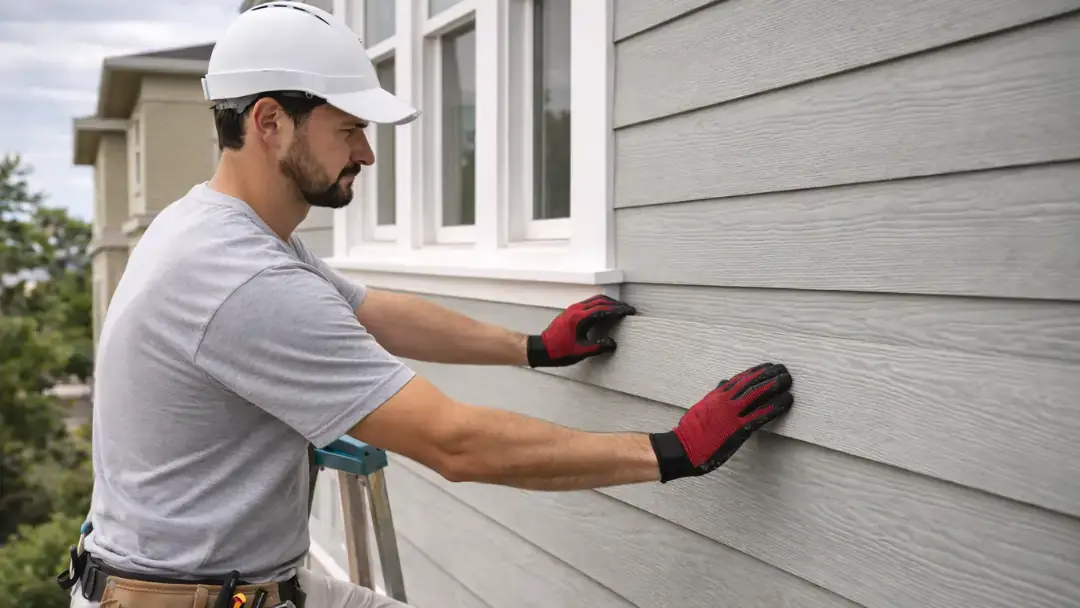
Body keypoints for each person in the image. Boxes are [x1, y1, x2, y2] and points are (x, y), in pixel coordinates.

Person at [62, 3, 795, 607]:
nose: (366, 154)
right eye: (350, 129)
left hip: (241, 584)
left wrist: (535, 346)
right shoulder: (236, 275)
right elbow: (454, 443)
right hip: (185, 598)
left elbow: (371, 309)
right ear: (268, 122)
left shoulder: (222, 227)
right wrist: (671, 452)